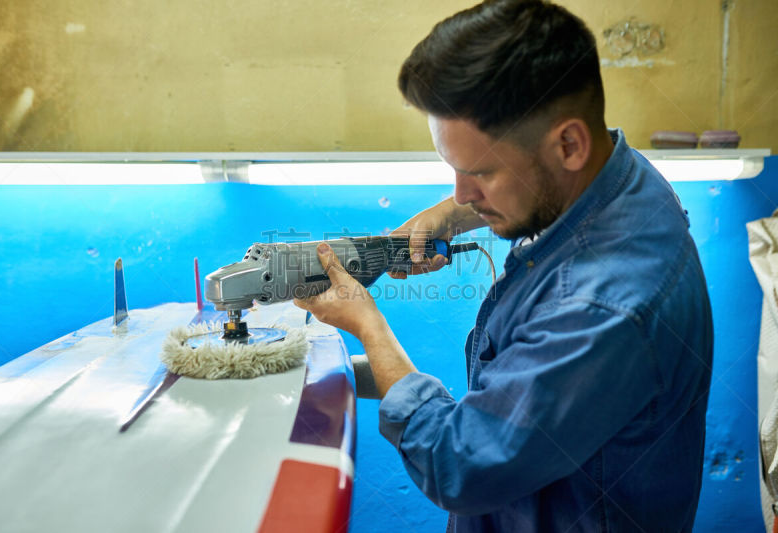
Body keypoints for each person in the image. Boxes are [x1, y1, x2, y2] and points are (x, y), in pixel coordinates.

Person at [295, 0, 713, 531]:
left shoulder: (601, 305)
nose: (461, 193)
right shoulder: (625, 180)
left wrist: (368, 329)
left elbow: (459, 467)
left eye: (481, 174)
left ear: (569, 144)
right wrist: (458, 214)